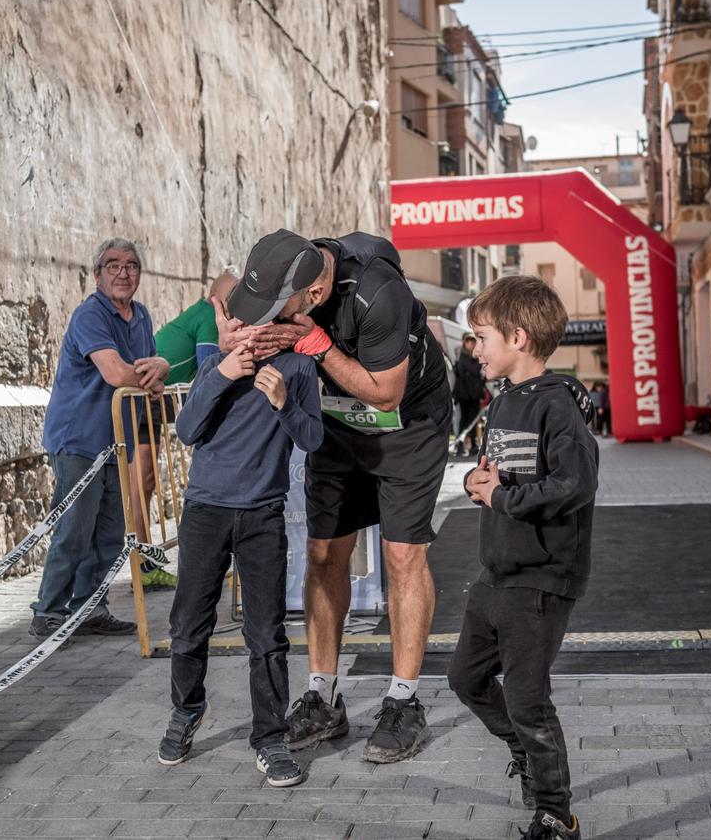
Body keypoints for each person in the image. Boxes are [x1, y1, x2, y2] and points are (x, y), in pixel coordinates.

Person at [219, 230, 451, 764]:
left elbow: (384, 391)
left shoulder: (378, 293)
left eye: (279, 311)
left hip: (407, 423)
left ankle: (402, 700)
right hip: (340, 425)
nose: (268, 317)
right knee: (324, 552)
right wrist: (238, 337)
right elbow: (231, 310)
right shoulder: (290, 272)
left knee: (402, 556)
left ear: (314, 298)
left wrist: (314, 346)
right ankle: (323, 694)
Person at [158, 234, 323, 787]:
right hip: (206, 510)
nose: (245, 327)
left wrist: (281, 403)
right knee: (188, 624)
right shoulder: (217, 364)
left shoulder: (297, 369)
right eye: (233, 317)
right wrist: (226, 372)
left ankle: (270, 738)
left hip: (262, 515)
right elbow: (186, 429)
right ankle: (186, 710)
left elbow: (314, 438)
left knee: (266, 633)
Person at [449, 275, 598, 840]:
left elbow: (576, 483)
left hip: (541, 578)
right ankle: (525, 755)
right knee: (465, 679)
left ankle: (556, 814)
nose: (475, 348)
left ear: (518, 337)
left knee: (530, 700)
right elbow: (496, 471)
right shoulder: (506, 398)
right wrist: (476, 480)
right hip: (497, 571)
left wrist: (502, 496)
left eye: (481, 336)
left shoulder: (559, 406)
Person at [29, 239, 171, 639]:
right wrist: (155, 374)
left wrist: (160, 365)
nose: (123, 273)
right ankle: (49, 611)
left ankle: (91, 607)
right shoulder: (90, 315)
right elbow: (118, 373)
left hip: (115, 440)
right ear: (97, 275)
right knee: (75, 528)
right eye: (113, 266)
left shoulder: (140, 316)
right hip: (78, 438)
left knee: (109, 532)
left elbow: (145, 370)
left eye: (131, 266)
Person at [155, 272, 238, 385]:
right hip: (155, 389)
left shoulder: (201, 311)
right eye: (230, 296)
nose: (236, 301)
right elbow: (208, 373)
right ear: (214, 298)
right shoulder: (209, 317)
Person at [452, 334, 485, 456]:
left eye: (472, 342)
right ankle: (461, 445)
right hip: (464, 395)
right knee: (464, 421)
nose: (471, 344)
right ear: (465, 343)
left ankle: (472, 447)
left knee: (473, 421)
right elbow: (474, 370)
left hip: (474, 395)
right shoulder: (463, 356)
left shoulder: (474, 357)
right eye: (468, 342)